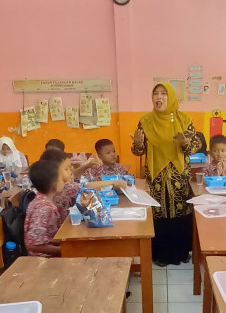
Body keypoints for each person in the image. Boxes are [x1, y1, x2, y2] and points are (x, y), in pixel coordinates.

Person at [130, 82, 202, 266]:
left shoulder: (184, 119)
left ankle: (181, 253)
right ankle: (160, 254)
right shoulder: (145, 121)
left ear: (171, 97)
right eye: (156, 94)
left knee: (180, 213)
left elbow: (194, 147)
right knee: (159, 213)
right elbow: (138, 150)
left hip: (179, 176)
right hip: (157, 178)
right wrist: (138, 144)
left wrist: (185, 142)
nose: (159, 97)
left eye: (164, 94)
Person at [40, 147, 123, 212]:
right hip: (61, 228)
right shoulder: (64, 187)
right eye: (66, 169)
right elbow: (87, 186)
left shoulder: (57, 181)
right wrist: (113, 182)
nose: (70, 172)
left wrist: (87, 166)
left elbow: (73, 174)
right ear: (53, 171)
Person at [24, 160, 65, 258]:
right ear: (55, 183)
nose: (64, 181)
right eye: (61, 178)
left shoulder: (40, 200)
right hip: (43, 260)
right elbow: (32, 244)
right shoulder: (44, 208)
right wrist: (63, 250)